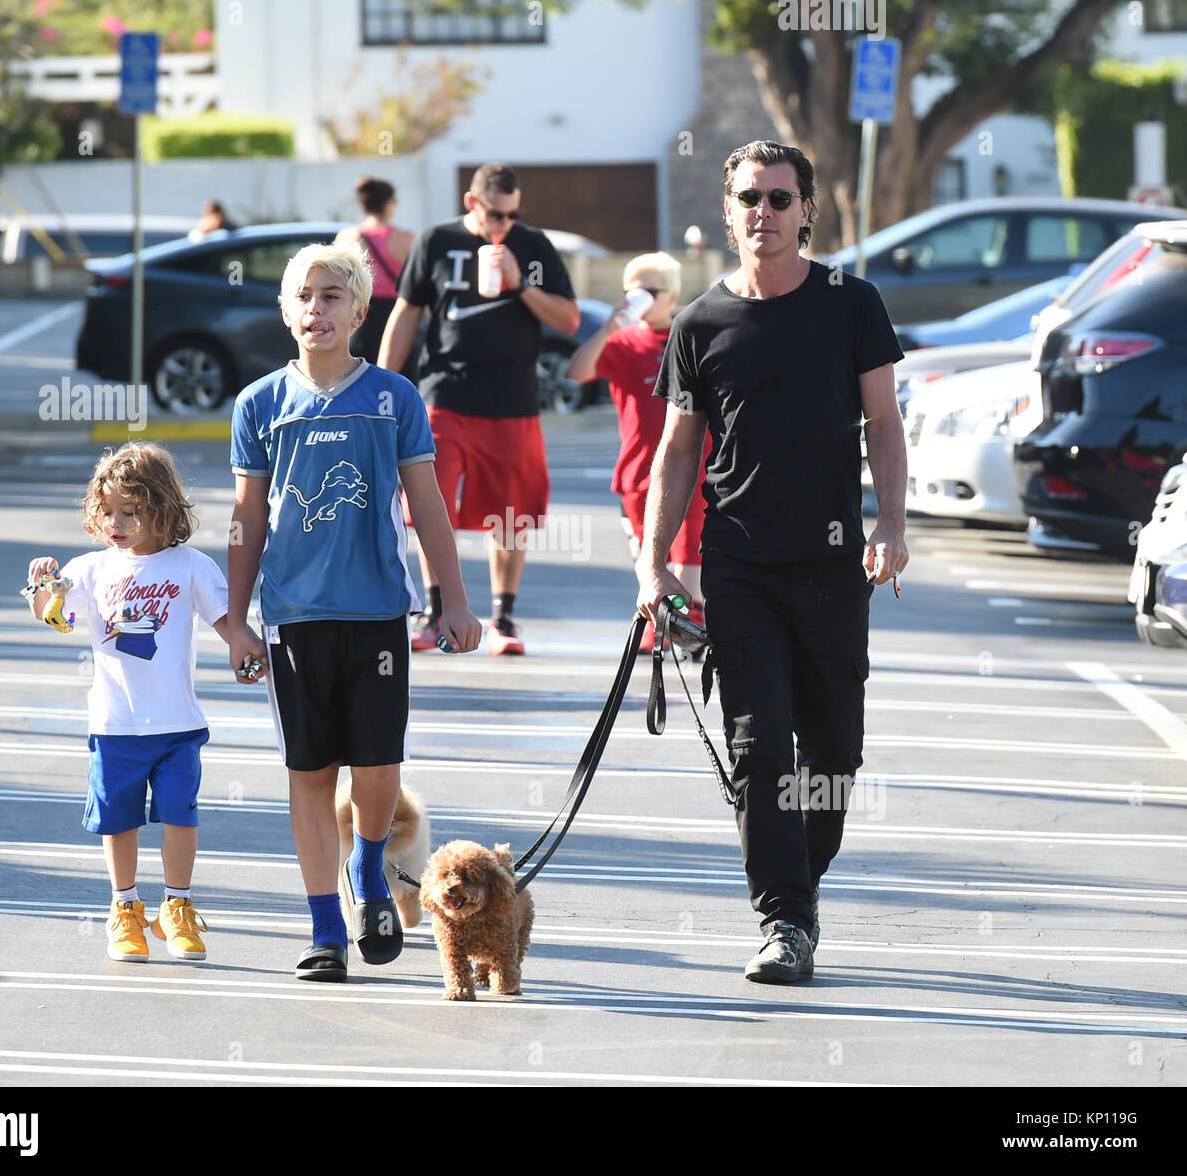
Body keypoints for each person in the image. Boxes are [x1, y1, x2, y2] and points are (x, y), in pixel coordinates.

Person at [635, 140, 909, 984]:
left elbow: (884, 426)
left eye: (779, 198)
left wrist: (890, 524)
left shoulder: (850, 304)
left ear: (807, 211)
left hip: (833, 566)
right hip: (740, 563)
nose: (764, 212)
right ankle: (784, 917)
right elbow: (677, 454)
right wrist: (654, 564)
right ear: (728, 212)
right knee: (760, 747)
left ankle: (800, 887)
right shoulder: (700, 324)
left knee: (833, 753)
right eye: (749, 197)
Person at [227, 242, 481, 983]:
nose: (317, 309)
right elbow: (248, 520)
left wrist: (454, 601)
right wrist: (237, 620)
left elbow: (426, 503)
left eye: (333, 295)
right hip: (293, 617)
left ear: (361, 309)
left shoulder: (393, 397)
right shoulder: (260, 404)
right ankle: (323, 928)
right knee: (310, 770)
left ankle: (369, 868)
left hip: (376, 612)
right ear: (285, 310)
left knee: (376, 766)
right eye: (304, 296)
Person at [23, 442, 234, 964]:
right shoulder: (91, 568)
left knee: (181, 818)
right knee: (119, 821)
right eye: (108, 512)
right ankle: (125, 910)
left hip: (178, 724)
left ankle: (178, 907)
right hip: (116, 725)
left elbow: (229, 623)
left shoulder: (191, 566)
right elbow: (56, 618)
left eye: (130, 512)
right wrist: (40, 588)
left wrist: (252, 653)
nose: (116, 523)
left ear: (162, 508)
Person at [378, 161, 580, 656]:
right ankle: (434, 609)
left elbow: (571, 320)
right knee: (430, 503)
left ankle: (503, 618)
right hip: (445, 395)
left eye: (512, 215)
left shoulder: (533, 247)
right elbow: (407, 314)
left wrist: (520, 284)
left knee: (510, 514)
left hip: (513, 401)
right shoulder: (436, 242)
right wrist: (380, 388)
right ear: (472, 203)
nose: (503, 225)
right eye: (495, 214)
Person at [567, 250, 709, 652]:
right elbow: (578, 372)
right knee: (649, 548)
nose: (640, 297)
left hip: (693, 463)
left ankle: (691, 615)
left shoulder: (690, 337)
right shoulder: (623, 341)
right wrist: (609, 327)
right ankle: (661, 618)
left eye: (650, 290)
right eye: (632, 290)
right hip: (637, 469)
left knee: (690, 541)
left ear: (672, 295)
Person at [335, 176, 415, 364]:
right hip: (395, 320)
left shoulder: (346, 237)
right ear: (389, 204)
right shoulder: (405, 239)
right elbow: (418, 283)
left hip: (358, 317)